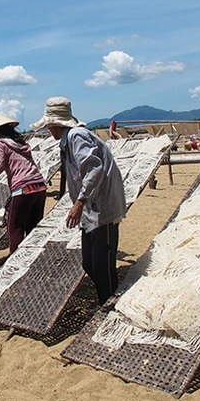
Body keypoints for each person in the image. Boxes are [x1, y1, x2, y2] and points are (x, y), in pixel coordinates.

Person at [32, 97, 127, 305]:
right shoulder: (68, 141)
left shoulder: (76, 136)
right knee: (89, 264)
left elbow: (94, 168)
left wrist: (79, 203)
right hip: (91, 208)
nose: (49, 129)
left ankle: (111, 304)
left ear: (55, 123)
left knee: (102, 264)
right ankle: (107, 297)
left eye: (49, 125)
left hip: (102, 207)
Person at [0, 113, 47, 253]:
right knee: (33, 229)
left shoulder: (0, 143)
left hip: (23, 190)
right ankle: (31, 260)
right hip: (39, 187)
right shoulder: (19, 143)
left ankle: (14, 261)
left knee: (15, 230)